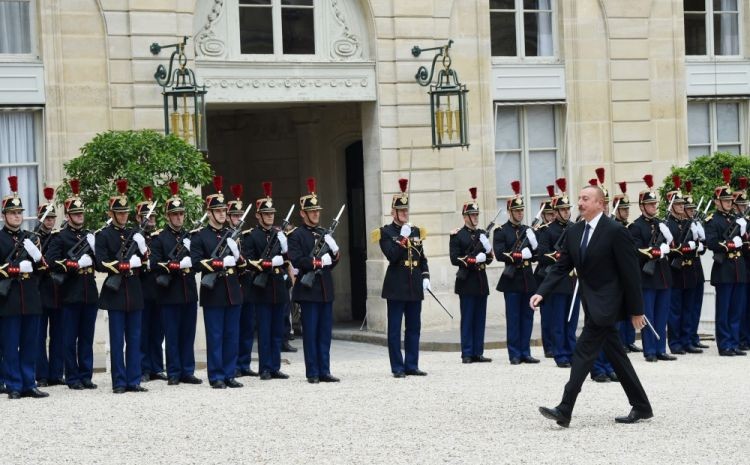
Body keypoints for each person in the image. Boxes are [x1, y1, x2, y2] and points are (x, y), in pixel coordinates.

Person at [532, 184, 653, 427]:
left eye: (586, 198)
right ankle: (642, 406)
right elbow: (561, 266)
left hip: (608, 304)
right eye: (580, 198)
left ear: (600, 203)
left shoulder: (615, 231)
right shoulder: (575, 231)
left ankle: (565, 408)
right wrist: (542, 292)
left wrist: (636, 310)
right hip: (591, 302)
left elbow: (630, 274)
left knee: (583, 352)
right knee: (617, 356)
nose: (580, 202)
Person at [191, 176, 244, 389]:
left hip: (232, 290)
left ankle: (229, 373)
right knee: (215, 336)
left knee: (232, 335)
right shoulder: (200, 236)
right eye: (218, 211)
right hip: (213, 291)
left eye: (224, 211)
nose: (223, 214)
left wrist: (238, 256)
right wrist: (219, 262)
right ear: (210, 213)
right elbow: (196, 263)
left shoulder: (232, 234)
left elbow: (242, 264)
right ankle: (216, 376)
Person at [46, 179, 99, 390]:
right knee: (69, 338)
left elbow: (100, 263)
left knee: (87, 337)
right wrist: (74, 264)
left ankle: (86, 375)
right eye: (76, 214)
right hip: (70, 292)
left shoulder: (89, 236)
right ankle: (72, 377)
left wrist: (95, 251)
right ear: (68, 216)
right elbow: (51, 261)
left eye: (81, 213)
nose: (80, 216)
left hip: (89, 292)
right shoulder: (60, 237)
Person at [96, 179, 148, 394]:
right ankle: (119, 381)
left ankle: (134, 380)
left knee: (135, 339)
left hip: (134, 290)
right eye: (120, 212)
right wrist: (124, 265)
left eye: (126, 212)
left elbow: (146, 262)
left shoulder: (134, 233)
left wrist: (143, 250)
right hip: (116, 292)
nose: (124, 215)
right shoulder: (104, 235)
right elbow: (100, 263)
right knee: (117, 340)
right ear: (111, 213)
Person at [287, 177, 341, 384]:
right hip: (309, 291)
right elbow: (297, 259)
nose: (316, 214)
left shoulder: (324, 233)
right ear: (303, 213)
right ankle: (312, 372)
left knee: (325, 333)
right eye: (312, 211)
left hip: (325, 289)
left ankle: (324, 370)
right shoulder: (296, 235)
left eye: (317, 210)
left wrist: (334, 253)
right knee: (310, 333)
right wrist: (318, 262)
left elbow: (332, 263)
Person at [149, 181, 202, 386]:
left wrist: (191, 260)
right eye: (175, 214)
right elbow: (154, 264)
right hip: (170, 293)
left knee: (188, 334)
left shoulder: (191, 237)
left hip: (188, 291)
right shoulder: (160, 238)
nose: (179, 217)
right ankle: (173, 372)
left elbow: (198, 262)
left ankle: (187, 370)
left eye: (181, 214)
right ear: (168, 216)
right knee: (171, 335)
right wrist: (176, 265)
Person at [376, 178, 430, 377]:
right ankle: (397, 367)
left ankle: (412, 365)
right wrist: (401, 239)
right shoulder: (385, 232)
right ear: (393, 213)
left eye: (406, 210)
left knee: (414, 327)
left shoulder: (416, 231)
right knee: (394, 330)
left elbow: (422, 257)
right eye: (401, 211)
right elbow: (391, 256)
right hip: (396, 285)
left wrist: (425, 276)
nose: (405, 214)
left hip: (414, 283)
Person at [0, 176, 48, 399]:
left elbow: (43, 268)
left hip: (30, 297)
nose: (17, 216)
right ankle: (14, 385)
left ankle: (29, 383)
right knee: (10, 345)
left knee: (30, 343)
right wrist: (14, 269)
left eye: (19, 212)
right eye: (12, 213)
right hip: (9, 298)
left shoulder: (31, 238)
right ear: (4, 216)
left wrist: (37, 257)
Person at [243, 181, 290, 380]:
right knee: (264, 331)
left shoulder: (279, 235)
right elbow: (248, 262)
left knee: (277, 330)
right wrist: (269, 263)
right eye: (266, 213)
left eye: (271, 213)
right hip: (261, 288)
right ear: (258, 216)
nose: (270, 216)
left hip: (278, 287)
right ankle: (264, 368)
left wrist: (285, 250)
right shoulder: (251, 236)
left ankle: (275, 366)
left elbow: (288, 259)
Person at [629, 174, 675, 362]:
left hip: (663, 275)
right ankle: (649, 350)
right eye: (650, 204)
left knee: (662, 315)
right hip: (647, 276)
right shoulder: (636, 226)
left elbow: (672, 245)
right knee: (648, 315)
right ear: (642, 206)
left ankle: (661, 349)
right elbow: (636, 250)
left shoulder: (661, 224)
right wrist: (657, 251)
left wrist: (668, 242)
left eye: (655, 204)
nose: (654, 207)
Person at [494, 180, 539, 365]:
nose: (520, 213)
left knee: (527, 317)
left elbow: (537, 254)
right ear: (510, 212)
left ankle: (525, 351)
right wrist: (520, 255)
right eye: (517, 211)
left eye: (522, 210)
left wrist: (534, 245)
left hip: (527, 278)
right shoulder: (501, 231)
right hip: (512, 279)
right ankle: (514, 353)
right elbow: (500, 254)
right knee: (513, 318)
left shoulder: (528, 230)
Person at [704, 168, 747, 356]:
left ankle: (735, 342)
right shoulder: (712, 220)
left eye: (730, 200)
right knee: (724, 310)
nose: (730, 203)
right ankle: (725, 344)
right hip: (724, 270)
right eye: (726, 200)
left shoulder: (738, 219)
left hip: (739, 268)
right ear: (717, 202)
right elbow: (712, 243)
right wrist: (730, 244)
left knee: (737, 309)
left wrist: (744, 233)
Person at [535, 178, 577, 368]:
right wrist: (560, 256)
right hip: (558, 281)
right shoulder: (547, 230)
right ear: (556, 211)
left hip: (574, 281)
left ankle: (572, 352)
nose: (566, 212)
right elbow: (542, 255)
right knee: (558, 321)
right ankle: (560, 355)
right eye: (563, 209)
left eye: (568, 209)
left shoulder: (575, 228)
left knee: (572, 320)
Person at [449, 187, 493, 364]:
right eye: (472, 215)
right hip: (467, 281)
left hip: (481, 281)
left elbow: (490, 258)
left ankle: (478, 352)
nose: (475, 217)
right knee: (467, 318)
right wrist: (474, 259)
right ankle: (467, 352)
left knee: (480, 319)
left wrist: (487, 251)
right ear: (465, 216)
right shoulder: (457, 235)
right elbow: (454, 258)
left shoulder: (482, 234)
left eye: (476, 215)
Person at [665, 176, 702, 355]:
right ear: (671, 206)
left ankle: (687, 341)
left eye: (682, 204)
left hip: (689, 271)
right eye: (678, 204)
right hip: (675, 271)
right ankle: (675, 342)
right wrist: (685, 247)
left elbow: (699, 246)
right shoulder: (667, 224)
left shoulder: (688, 223)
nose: (681, 207)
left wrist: (698, 242)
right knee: (675, 310)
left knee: (688, 309)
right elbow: (670, 249)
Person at [136, 186, 167, 383]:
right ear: (138, 218)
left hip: (159, 289)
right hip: (141, 289)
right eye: (147, 217)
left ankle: (156, 366)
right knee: (143, 331)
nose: (152, 220)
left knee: (158, 331)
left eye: (154, 216)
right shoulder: (135, 237)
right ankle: (144, 367)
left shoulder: (159, 237)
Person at [35, 186, 65, 387]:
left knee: (58, 335)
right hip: (40, 290)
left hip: (58, 291)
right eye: (47, 218)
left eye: (52, 218)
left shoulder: (58, 237)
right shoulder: (33, 238)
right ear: (40, 219)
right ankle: (42, 375)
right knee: (39, 336)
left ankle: (56, 373)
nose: (50, 221)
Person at [228, 184, 258, 378]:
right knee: (234, 329)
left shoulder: (247, 237)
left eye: (240, 216)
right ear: (228, 217)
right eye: (235, 216)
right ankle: (234, 365)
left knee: (247, 326)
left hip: (246, 284)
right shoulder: (225, 237)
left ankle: (244, 363)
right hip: (232, 285)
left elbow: (251, 258)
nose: (238, 219)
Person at [612, 181, 642, 353]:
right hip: (617, 274)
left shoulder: (631, 227)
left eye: (627, 209)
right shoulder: (613, 227)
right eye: (623, 209)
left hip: (629, 271)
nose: (626, 212)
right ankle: (620, 341)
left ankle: (629, 340)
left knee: (630, 306)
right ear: (616, 210)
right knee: (619, 309)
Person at [534, 185, 556, 358]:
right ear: (543, 215)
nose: (552, 216)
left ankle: (559, 343)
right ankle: (548, 346)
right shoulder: (540, 231)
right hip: (545, 274)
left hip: (560, 275)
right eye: (549, 214)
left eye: (553, 213)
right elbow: (540, 255)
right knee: (547, 313)